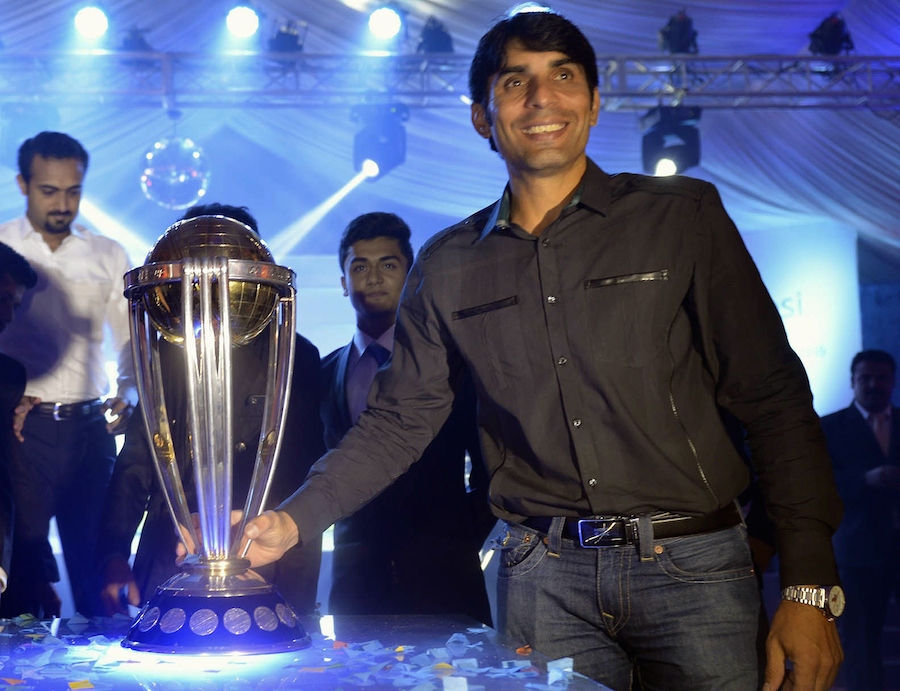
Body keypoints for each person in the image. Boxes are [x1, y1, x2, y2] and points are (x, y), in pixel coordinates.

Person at [225, 9, 844, 691]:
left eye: (564, 76)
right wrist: (293, 519)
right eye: (516, 82)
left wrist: (809, 584)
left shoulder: (681, 218)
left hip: (694, 566)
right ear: (482, 117)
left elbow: (773, 398)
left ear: (594, 102)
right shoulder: (448, 264)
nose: (543, 98)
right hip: (542, 578)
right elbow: (398, 423)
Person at [96, 204, 324, 617]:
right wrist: (113, 553)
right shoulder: (165, 353)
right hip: (172, 549)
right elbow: (137, 462)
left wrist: (295, 578)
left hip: (264, 555)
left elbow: (302, 472)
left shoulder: (295, 356)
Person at [322, 212, 493, 623]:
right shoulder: (323, 372)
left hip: (445, 577)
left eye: (388, 265)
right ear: (343, 282)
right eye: (360, 267)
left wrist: (456, 536)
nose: (373, 278)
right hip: (357, 584)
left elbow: (489, 467)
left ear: (411, 275)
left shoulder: (455, 367)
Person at [0, 132, 136, 618]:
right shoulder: (2, 245)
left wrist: (128, 392)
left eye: (73, 191)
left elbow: (130, 341)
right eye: (49, 190)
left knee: (101, 571)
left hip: (90, 430)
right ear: (23, 184)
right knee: (23, 577)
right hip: (22, 432)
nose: (62, 203)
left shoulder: (108, 253)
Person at [821, 349, 898, 691]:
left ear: (893, 381)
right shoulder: (829, 427)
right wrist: (864, 480)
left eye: (881, 378)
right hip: (855, 551)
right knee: (858, 640)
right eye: (865, 378)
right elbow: (818, 482)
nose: (873, 384)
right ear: (852, 382)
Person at [0, 242, 38, 607]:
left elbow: (4, 480)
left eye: (14, 306)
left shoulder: (8, 379)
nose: (8, 316)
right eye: (3, 300)